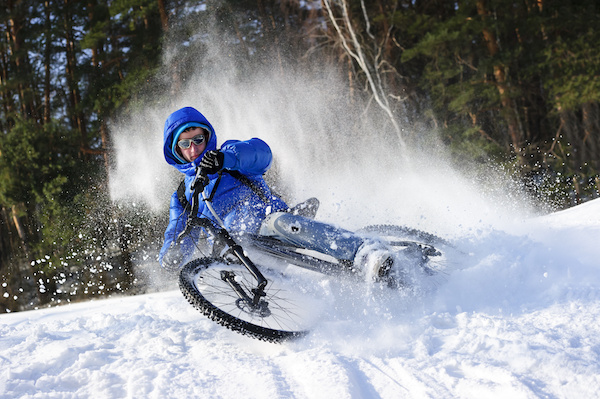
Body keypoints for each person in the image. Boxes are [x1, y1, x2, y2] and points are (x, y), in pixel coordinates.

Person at [158, 106, 288, 270]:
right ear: (177, 149)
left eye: (198, 139)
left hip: (269, 227)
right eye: (185, 143)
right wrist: (171, 254)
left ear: (206, 137)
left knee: (250, 224)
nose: (193, 148)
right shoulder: (183, 195)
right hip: (234, 255)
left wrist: (226, 159)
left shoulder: (229, 156)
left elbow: (262, 155)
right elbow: (179, 231)